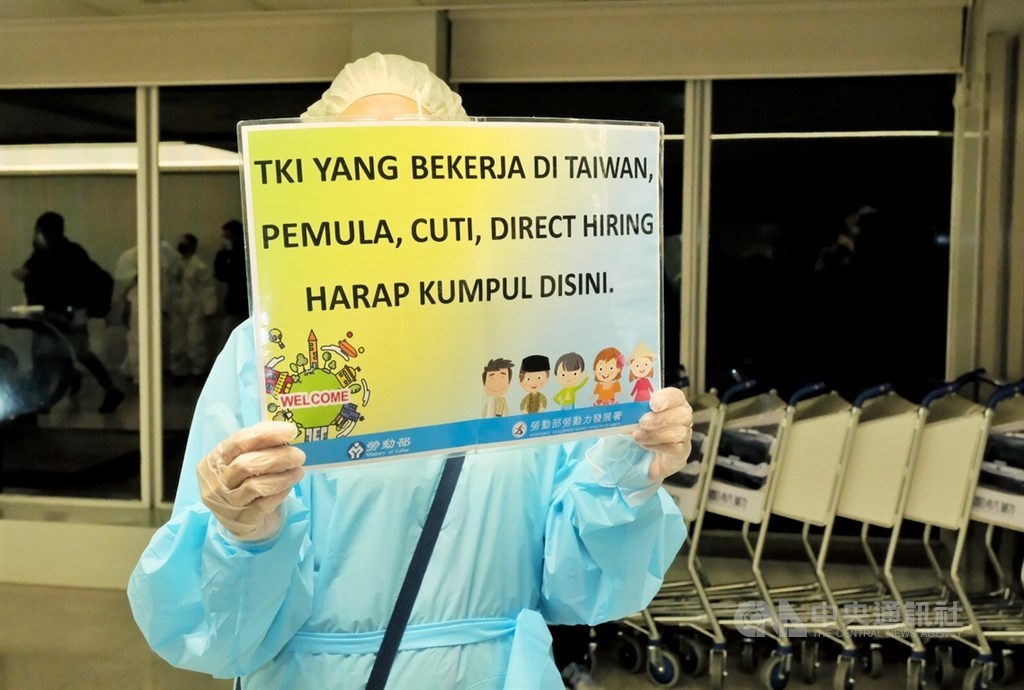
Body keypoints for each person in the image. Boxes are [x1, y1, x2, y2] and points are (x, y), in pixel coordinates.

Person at [128, 53, 692, 690]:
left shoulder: (528, 341)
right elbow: (217, 635)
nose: (393, 190)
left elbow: (577, 585)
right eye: (367, 164)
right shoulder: (272, 355)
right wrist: (243, 536)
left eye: (421, 161)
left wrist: (623, 465)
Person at [12, 211, 124, 413]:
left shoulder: (55, 254)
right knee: (72, 354)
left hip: (60, 314)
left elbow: (42, 279)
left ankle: (46, 398)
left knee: (51, 355)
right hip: (62, 314)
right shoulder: (63, 252)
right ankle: (97, 387)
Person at [168, 233, 218, 383]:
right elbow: (169, 286)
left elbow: (207, 288)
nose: (181, 246)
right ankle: (179, 372)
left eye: (184, 243)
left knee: (195, 341)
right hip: (177, 307)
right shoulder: (175, 265)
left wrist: (209, 308)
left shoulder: (199, 266)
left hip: (195, 308)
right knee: (178, 341)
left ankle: (198, 372)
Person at [215, 219, 249, 340]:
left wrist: (231, 253)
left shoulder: (244, 254)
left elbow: (237, 275)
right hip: (233, 305)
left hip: (245, 304)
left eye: (227, 236)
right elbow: (220, 274)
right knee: (227, 339)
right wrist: (223, 252)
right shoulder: (226, 255)